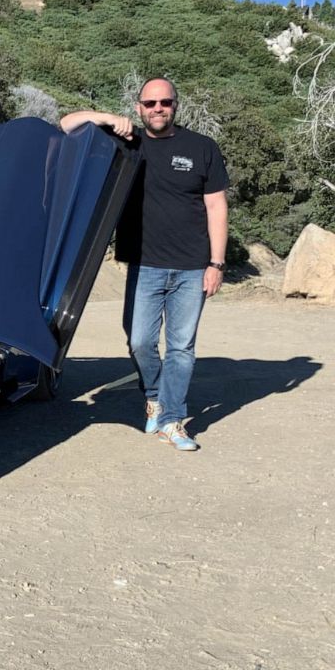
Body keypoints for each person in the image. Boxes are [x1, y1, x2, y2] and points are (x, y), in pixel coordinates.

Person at [59, 77, 229, 451]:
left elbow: (216, 206)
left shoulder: (202, 148)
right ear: (139, 107)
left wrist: (216, 263)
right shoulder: (128, 141)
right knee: (139, 342)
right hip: (144, 264)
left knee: (181, 347)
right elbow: (67, 124)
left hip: (192, 266)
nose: (158, 109)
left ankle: (171, 419)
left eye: (165, 102)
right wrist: (106, 117)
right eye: (150, 103)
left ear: (175, 105)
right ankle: (154, 394)